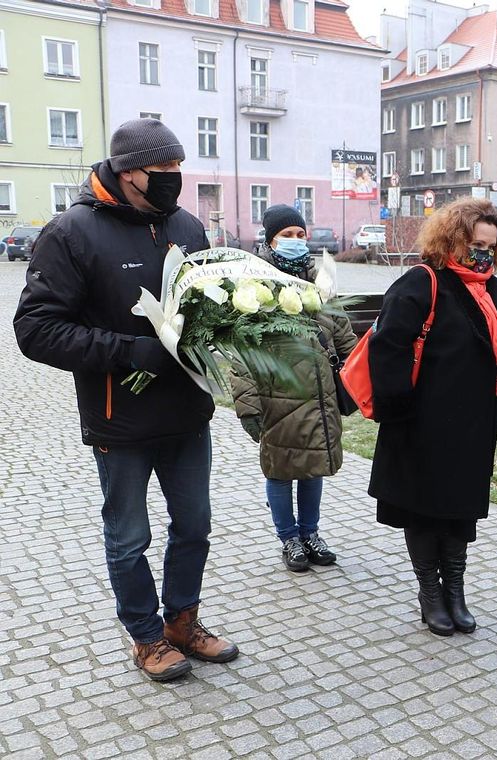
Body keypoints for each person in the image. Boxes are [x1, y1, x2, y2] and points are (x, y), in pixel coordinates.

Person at [13, 118, 239, 681]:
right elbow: (35, 329)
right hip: (121, 415)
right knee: (129, 535)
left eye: (177, 168)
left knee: (194, 525)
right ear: (126, 170)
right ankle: (144, 635)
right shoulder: (71, 232)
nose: (173, 179)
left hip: (187, 411)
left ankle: (182, 621)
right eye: (162, 171)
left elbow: (207, 304)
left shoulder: (186, 225)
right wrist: (132, 353)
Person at [368, 197, 497, 636]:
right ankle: (430, 593)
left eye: (489, 246)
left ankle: (455, 591)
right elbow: (388, 348)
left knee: (459, 512)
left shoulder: (496, 290)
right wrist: (397, 406)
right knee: (423, 512)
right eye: (475, 243)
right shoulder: (421, 283)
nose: (482, 253)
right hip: (421, 425)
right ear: (453, 239)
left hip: (474, 427)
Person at [230, 205, 357, 573]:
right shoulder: (253, 289)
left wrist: (360, 376)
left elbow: (344, 337)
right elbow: (242, 354)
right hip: (277, 398)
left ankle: (311, 533)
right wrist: (248, 406)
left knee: (313, 467)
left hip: (319, 397)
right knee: (281, 470)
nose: (296, 242)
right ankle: (289, 538)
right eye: (287, 235)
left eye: (301, 235)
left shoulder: (321, 284)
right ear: (269, 240)